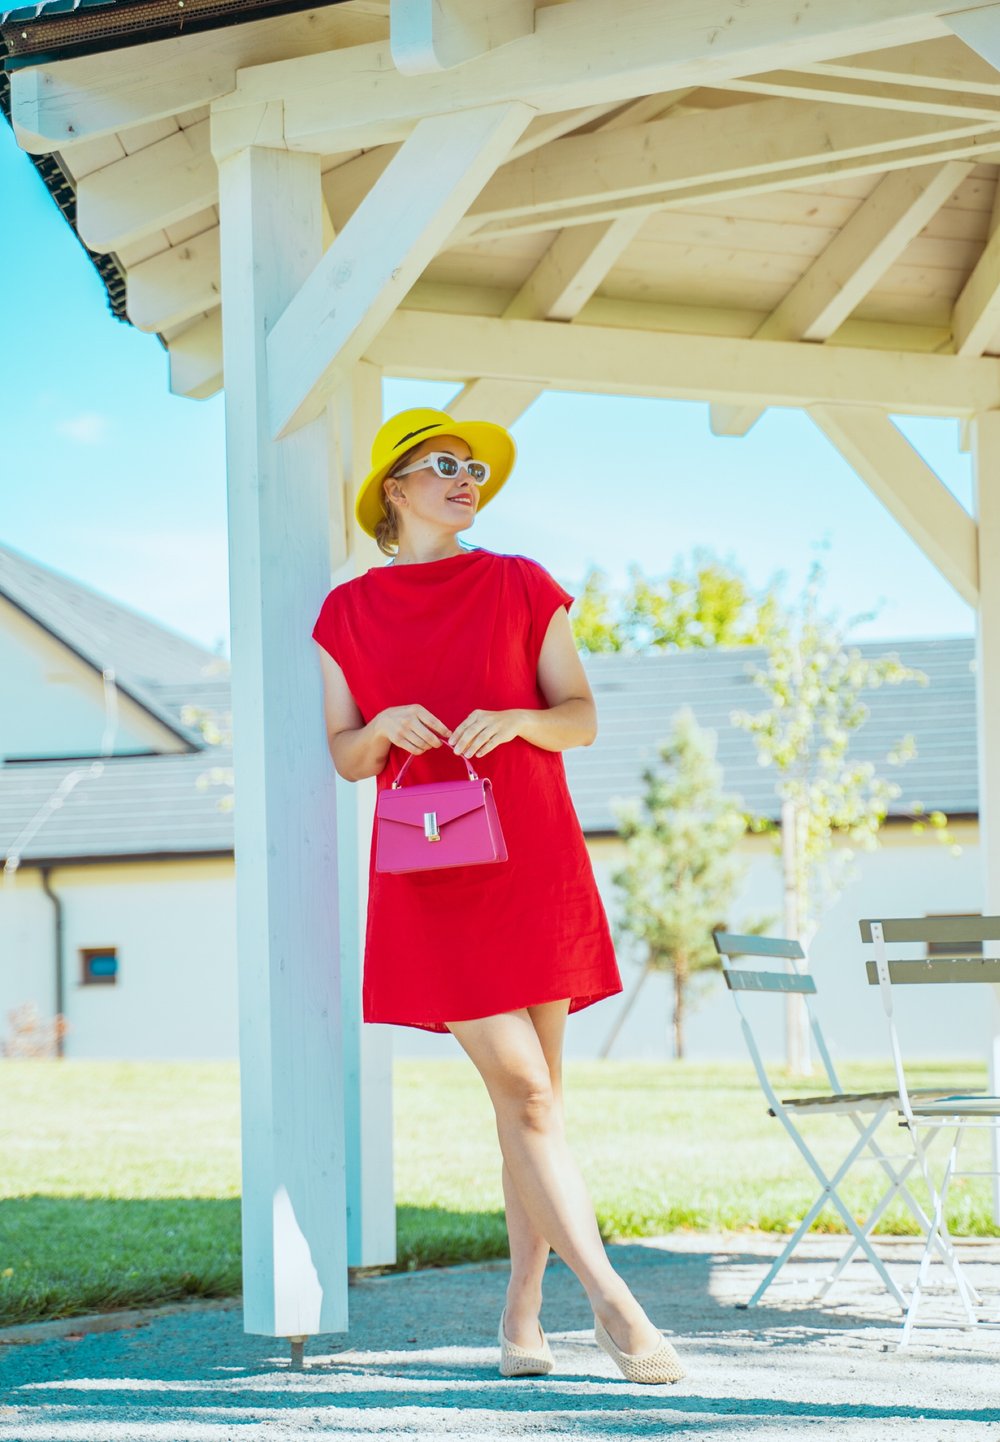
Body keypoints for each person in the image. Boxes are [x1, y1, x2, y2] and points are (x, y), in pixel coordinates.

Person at [311, 406, 685, 1385]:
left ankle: (521, 1313)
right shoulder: (345, 613)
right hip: (432, 880)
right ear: (394, 488)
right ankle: (613, 1302)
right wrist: (385, 723)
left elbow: (581, 717)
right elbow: (346, 755)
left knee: (537, 1107)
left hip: (534, 867)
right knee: (523, 1091)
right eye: (443, 464)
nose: (465, 477)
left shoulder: (521, 583)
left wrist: (516, 716)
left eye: (472, 466)